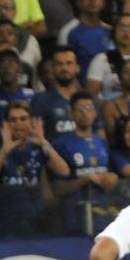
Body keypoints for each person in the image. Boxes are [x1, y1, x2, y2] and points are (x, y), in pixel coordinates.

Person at [0, 99, 70, 237]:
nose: (18, 123)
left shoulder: (39, 146)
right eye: (13, 120)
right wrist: (4, 151)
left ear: (31, 122)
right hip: (4, 219)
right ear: (6, 124)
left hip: (34, 218)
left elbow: (64, 171)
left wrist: (44, 142)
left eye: (23, 119)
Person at [52, 91, 116, 235]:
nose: (85, 113)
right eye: (80, 108)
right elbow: (57, 188)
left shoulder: (102, 142)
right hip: (74, 214)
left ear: (95, 113)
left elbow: (109, 174)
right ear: (71, 113)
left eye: (89, 108)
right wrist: (84, 180)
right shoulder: (61, 144)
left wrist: (112, 178)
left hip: (102, 213)